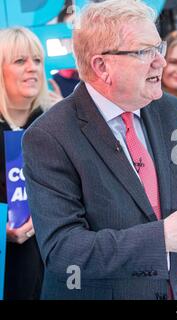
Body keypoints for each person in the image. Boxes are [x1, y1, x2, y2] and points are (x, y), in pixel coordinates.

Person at [22, 0, 177, 300]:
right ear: (101, 66)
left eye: (158, 48)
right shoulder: (49, 136)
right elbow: (64, 251)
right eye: (144, 52)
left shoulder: (170, 110)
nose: (160, 62)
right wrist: (161, 238)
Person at [0, 27, 62, 300]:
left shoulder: (61, 124)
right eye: (20, 61)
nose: (32, 68)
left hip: (54, 270)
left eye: (37, 60)